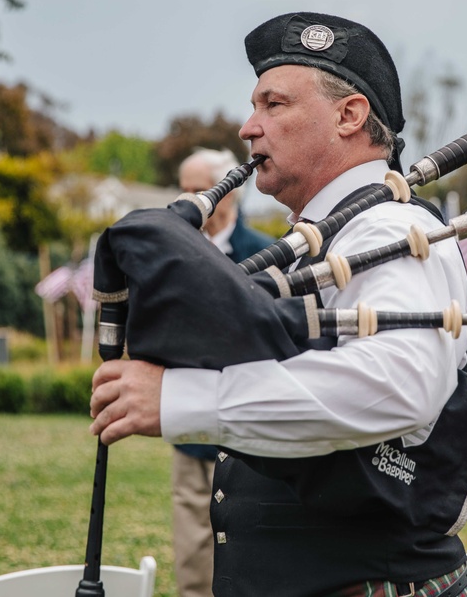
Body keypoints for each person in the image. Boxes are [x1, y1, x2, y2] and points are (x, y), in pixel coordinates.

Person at [90, 12, 467, 596]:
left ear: (349, 115)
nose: (248, 128)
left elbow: (397, 385)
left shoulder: (393, 229)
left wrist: (182, 400)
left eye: (273, 105)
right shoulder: (308, 244)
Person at [172, 148, 274, 597]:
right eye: (184, 188)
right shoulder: (174, 251)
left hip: (251, 429)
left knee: (255, 544)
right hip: (192, 428)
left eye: (198, 189)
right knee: (193, 546)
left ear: (229, 193)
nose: (189, 199)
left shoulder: (269, 252)